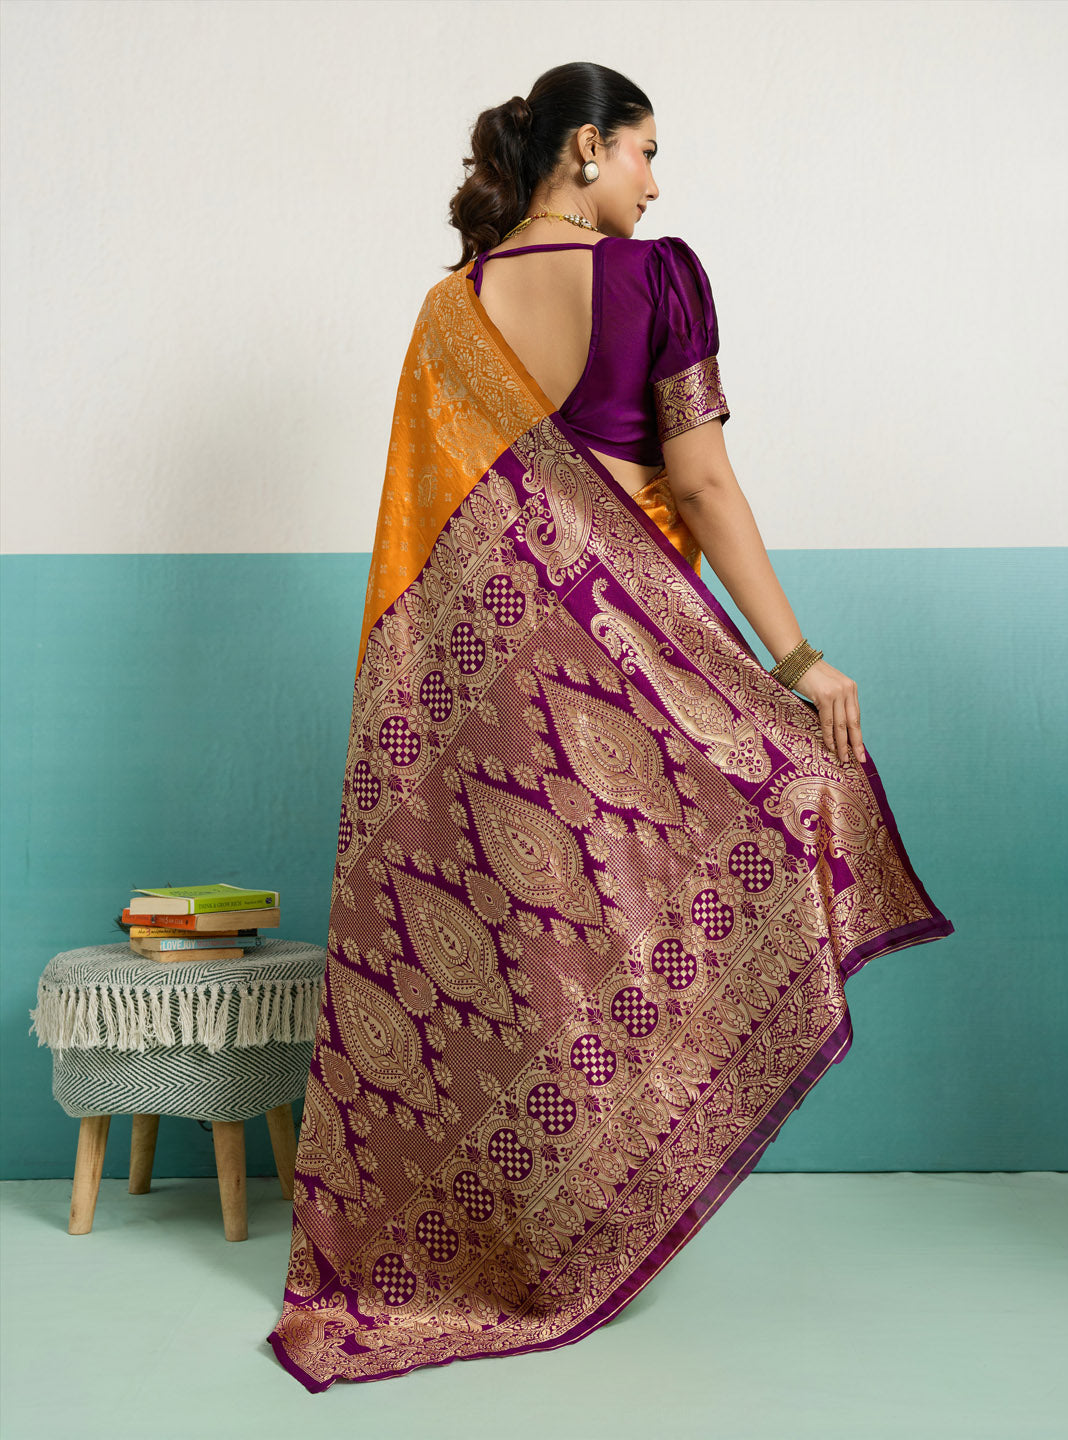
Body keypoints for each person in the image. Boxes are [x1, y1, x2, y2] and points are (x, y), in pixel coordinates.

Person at [266, 61, 953, 1393]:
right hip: (631, 674)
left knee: (529, 960)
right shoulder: (655, 281)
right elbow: (700, 483)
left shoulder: (450, 311)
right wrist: (798, 658)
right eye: (645, 152)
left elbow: (425, 548)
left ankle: (511, 1237)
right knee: (651, 908)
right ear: (586, 149)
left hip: (502, 697)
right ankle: (568, 1235)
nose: (656, 181)